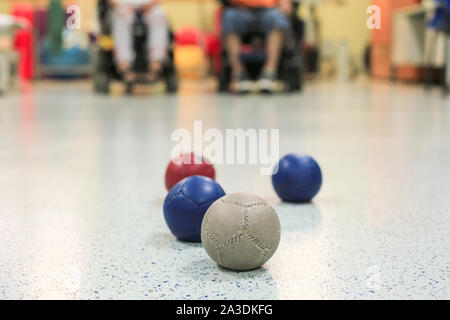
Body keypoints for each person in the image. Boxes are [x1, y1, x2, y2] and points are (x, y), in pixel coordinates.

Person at [222, 0, 292, 93]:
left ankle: (269, 72)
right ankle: (239, 73)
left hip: (269, 10)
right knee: (228, 17)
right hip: (240, 10)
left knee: (277, 18)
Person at [108, 0, 169, 82]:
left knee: (159, 16)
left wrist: (150, 5)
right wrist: (123, 5)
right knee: (121, 16)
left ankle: (156, 63)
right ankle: (124, 64)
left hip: (149, 7)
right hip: (124, 7)